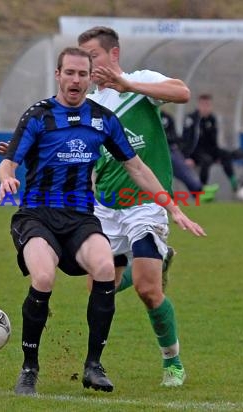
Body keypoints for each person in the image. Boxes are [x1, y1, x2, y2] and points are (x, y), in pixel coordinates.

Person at [0, 47, 205, 396]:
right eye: (70, 73)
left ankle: (94, 366)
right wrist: (6, 177)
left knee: (105, 270)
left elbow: (137, 167)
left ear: (89, 76)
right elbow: (9, 162)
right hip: (37, 216)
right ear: (58, 75)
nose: (76, 79)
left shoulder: (102, 118)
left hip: (81, 218)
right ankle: (29, 369)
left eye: (82, 73)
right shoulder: (38, 115)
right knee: (44, 277)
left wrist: (175, 209)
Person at [78, 26, 205, 388]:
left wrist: (128, 85)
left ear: (113, 55)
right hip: (106, 209)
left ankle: (173, 363)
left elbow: (182, 92)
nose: (88, 64)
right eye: (83, 58)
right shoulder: (87, 105)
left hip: (145, 203)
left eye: (93, 56)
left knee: (149, 291)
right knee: (96, 288)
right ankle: (151, 261)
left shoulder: (139, 82)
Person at [161, 109, 218, 202]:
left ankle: (199, 190)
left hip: (169, 149)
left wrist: (186, 156)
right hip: (157, 151)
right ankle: (199, 190)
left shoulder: (166, 117)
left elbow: (175, 137)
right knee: (176, 162)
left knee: (181, 163)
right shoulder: (144, 116)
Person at [184, 94, 238, 193]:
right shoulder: (191, 119)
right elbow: (186, 140)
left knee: (226, 154)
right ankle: (201, 189)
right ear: (199, 105)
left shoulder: (212, 119)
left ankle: (234, 181)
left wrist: (217, 156)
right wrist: (187, 157)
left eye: (208, 105)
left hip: (209, 150)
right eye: (203, 105)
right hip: (196, 152)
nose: (206, 108)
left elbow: (214, 140)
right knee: (206, 160)